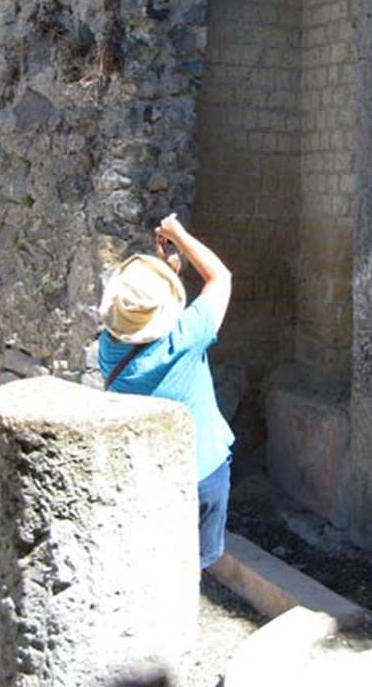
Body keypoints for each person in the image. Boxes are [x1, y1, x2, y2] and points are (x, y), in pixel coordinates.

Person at [98, 213, 234, 570]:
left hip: (149, 475)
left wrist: (167, 271)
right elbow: (221, 277)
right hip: (202, 473)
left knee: (155, 559)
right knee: (196, 563)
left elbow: (143, 326)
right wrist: (179, 233)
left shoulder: (108, 351)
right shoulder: (186, 340)